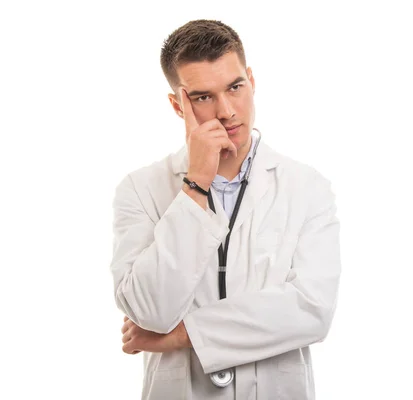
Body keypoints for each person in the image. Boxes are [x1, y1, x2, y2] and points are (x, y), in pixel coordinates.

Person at [110, 19, 341, 399]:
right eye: (203, 97)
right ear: (177, 104)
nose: (227, 111)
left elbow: (312, 310)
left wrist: (183, 335)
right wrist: (196, 184)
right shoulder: (140, 189)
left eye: (235, 88)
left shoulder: (307, 187)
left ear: (251, 80)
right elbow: (150, 311)